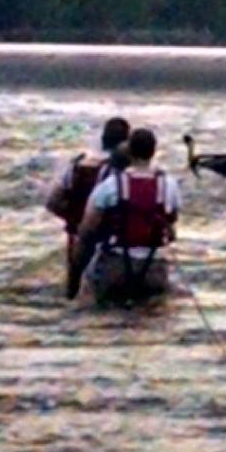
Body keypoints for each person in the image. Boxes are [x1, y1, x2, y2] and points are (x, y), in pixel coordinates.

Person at [74, 128, 180, 308]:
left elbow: (87, 230)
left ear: (129, 151)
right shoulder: (169, 185)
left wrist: (76, 268)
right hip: (154, 268)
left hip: (114, 265)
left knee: (88, 304)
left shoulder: (110, 185)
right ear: (153, 152)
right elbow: (171, 224)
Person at [44, 116, 130, 299]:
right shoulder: (122, 172)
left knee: (73, 293)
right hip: (110, 246)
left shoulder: (77, 165)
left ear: (103, 139)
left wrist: (75, 219)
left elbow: (52, 202)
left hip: (76, 239)